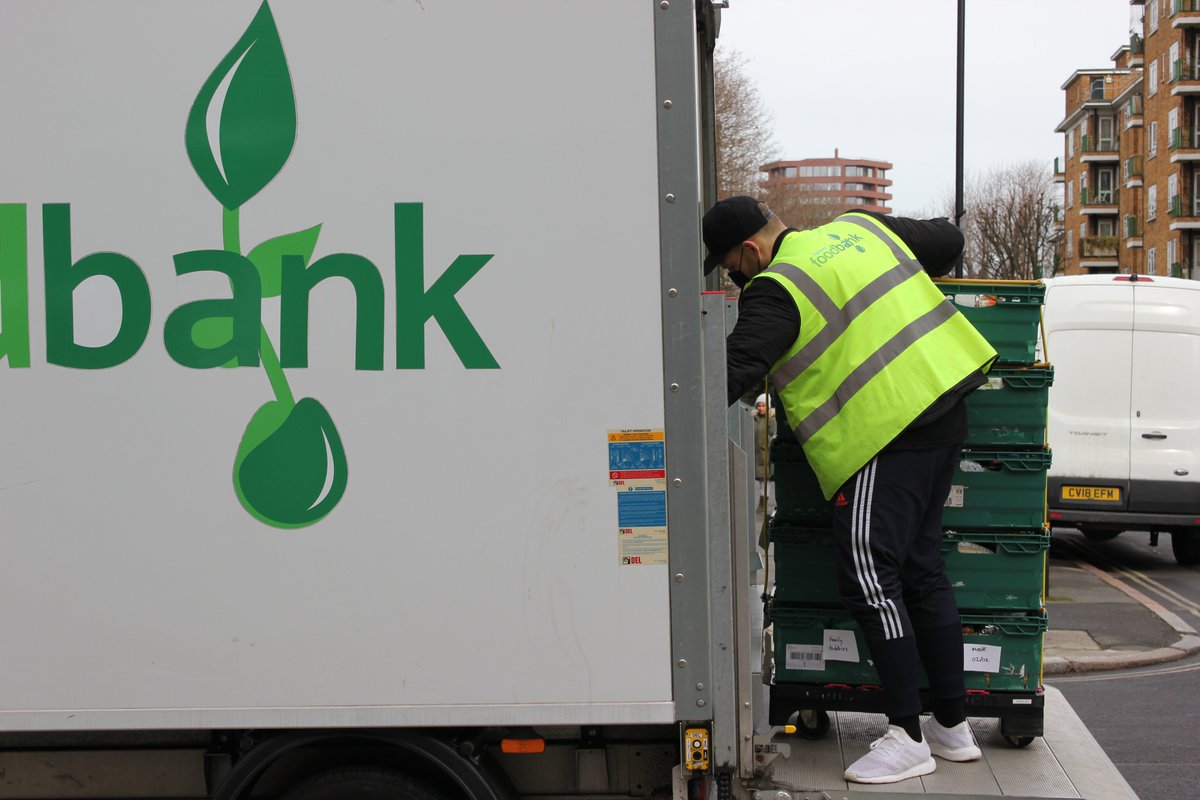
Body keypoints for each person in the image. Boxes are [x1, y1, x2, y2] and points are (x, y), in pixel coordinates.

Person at [703, 196, 997, 785]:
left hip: (884, 436)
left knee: (869, 577)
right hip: (943, 413)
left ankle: (907, 735)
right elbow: (947, 240)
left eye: (731, 267)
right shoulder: (862, 229)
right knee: (921, 570)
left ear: (751, 251)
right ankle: (952, 724)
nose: (735, 278)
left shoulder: (776, 287)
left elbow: (731, 372)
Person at [753, 393, 776, 511]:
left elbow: (774, 435)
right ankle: (761, 501)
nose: (760, 408)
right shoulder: (755, 419)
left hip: (765, 453)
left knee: (765, 479)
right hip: (756, 453)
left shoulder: (771, 420)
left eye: (763, 405)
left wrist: (766, 445)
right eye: (759, 405)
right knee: (760, 478)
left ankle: (763, 502)